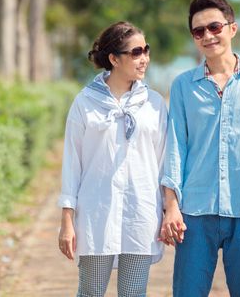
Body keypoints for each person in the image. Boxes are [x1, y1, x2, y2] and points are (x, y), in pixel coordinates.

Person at [159, 0, 240, 297]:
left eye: (214, 27)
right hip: (194, 213)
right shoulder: (182, 86)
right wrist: (171, 206)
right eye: (198, 31)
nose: (207, 36)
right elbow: (176, 147)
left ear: (232, 28)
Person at [57, 21, 168, 297]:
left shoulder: (154, 104)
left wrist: (170, 210)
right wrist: (67, 222)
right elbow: (72, 165)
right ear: (114, 59)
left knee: (134, 294)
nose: (145, 59)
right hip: (96, 216)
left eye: (146, 50)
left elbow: (164, 162)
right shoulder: (84, 103)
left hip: (140, 215)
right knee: (91, 293)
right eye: (136, 52)